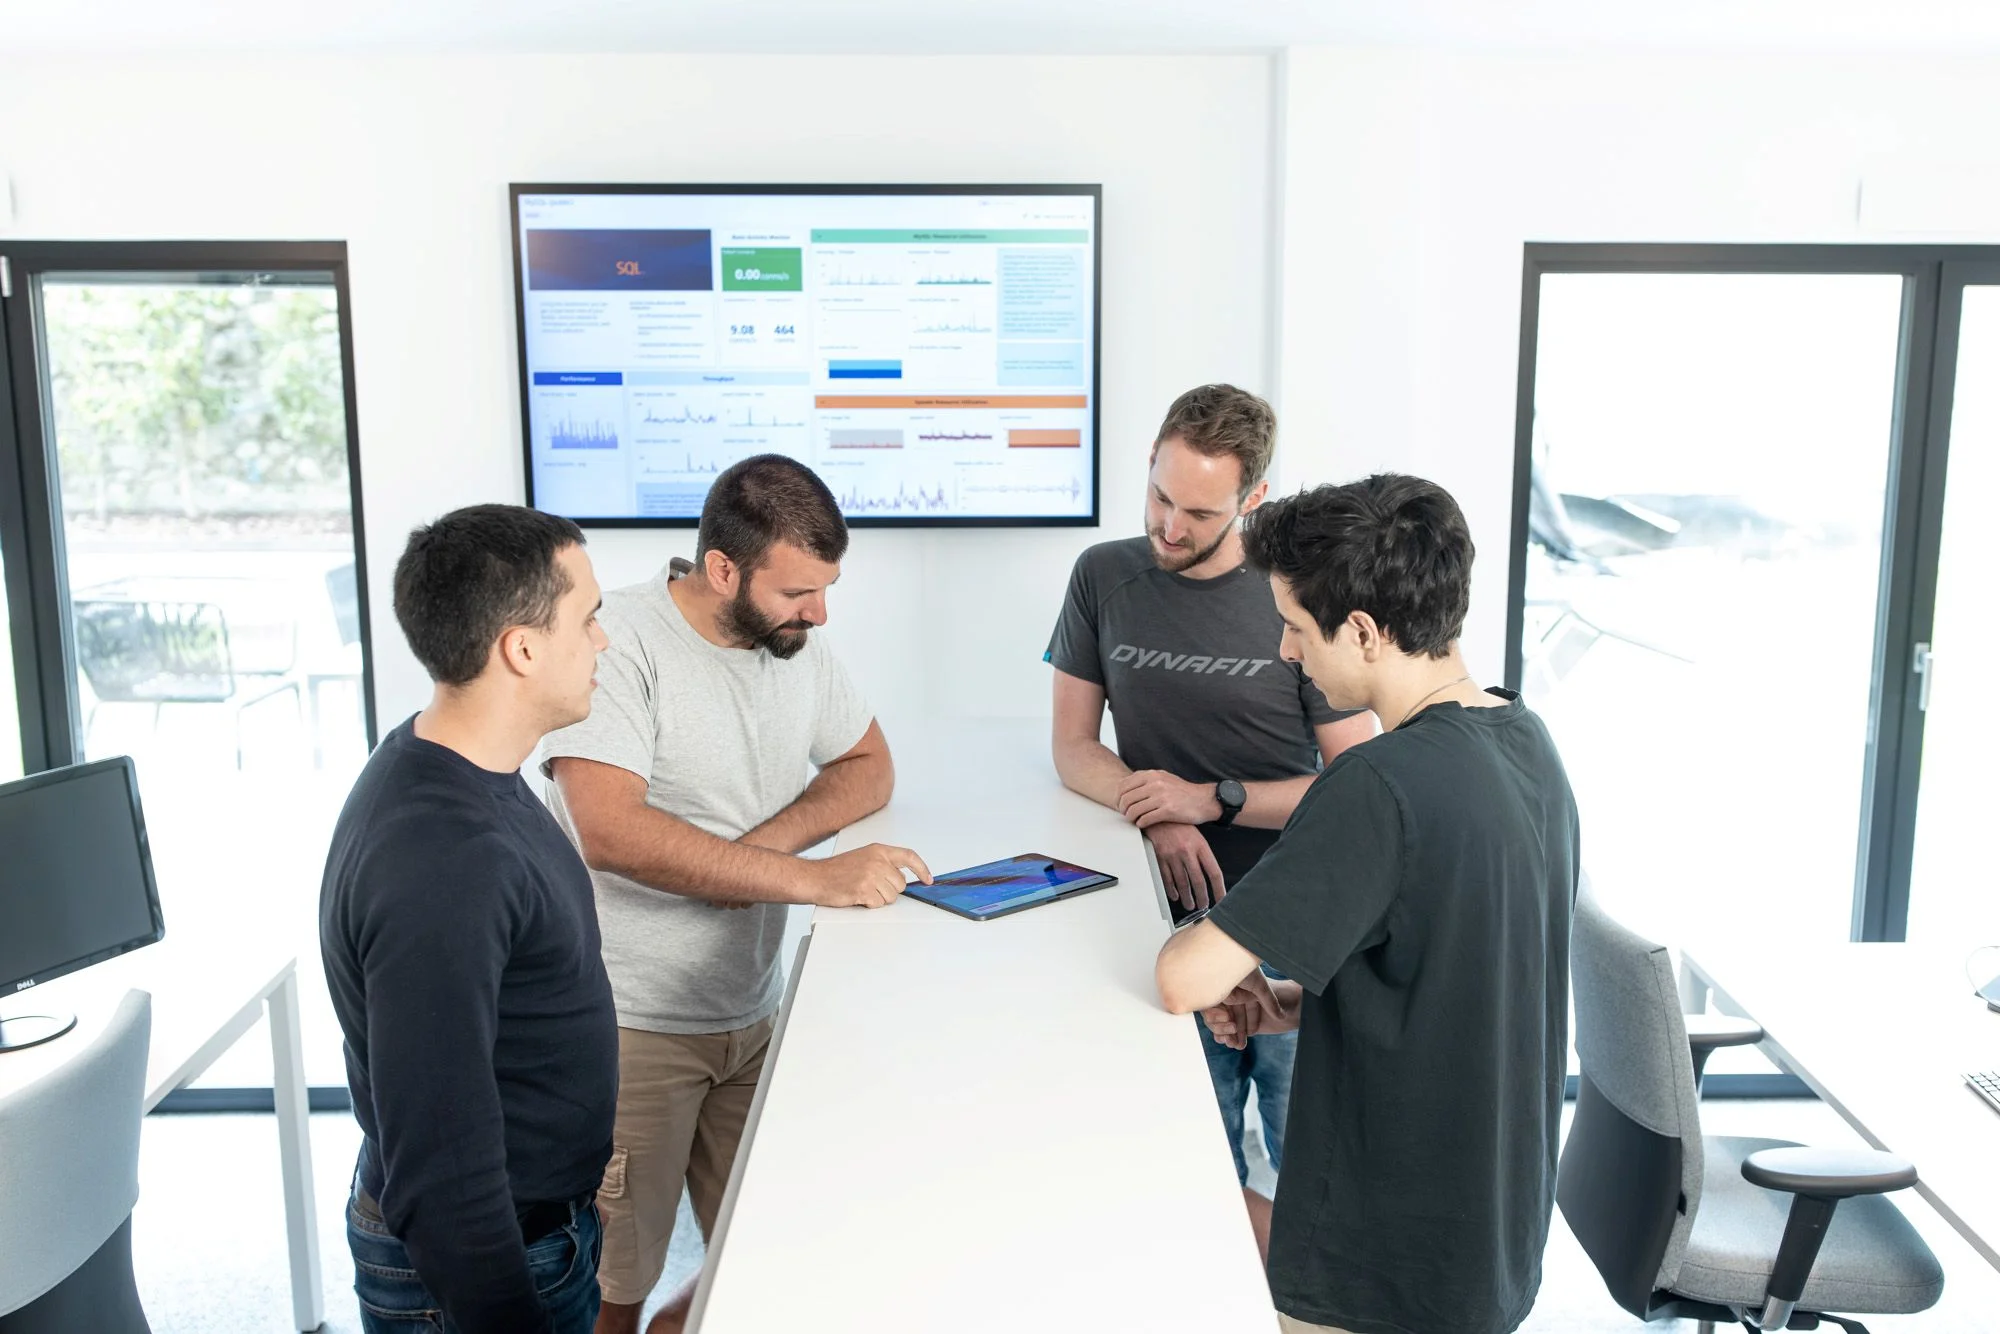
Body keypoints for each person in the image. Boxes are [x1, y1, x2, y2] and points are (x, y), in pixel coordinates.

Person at [1154, 474, 1579, 1334]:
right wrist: (1288, 1001)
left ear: (1361, 631)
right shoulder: (1524, 739)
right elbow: (1454, 976)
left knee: (1165, 1191)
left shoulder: (1378, 784)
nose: (1284, 652)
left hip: (1384, 1268)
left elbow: (1184, 980)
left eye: (1295, 626)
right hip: (1487, 1244)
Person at [542, 454, 931, 1334]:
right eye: (800, 592)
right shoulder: (620, 644)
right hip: (633, 1029)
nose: (820, 613)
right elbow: (609, 829)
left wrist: (754, 855)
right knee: (615, 1291)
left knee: (766, 1259)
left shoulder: (790, 641)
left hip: (751, 1016)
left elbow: (869, 766)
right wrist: (806, 880)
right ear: (723, 570)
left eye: (826, 590)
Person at [1043, 384, 1373, 1253]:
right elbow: (1075, 746)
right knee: (1195, 1167)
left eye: (1197, 511)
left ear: (1252, 500)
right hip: (1168, 921)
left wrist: (1213, 798)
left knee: (1318, 1172)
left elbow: (1359, 785)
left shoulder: (1298, 596)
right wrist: (1153, 810)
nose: (1168, 527)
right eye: (1158, 495)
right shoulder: (1102, 576)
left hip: (1298, 917)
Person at [321, 504, 618, 1334]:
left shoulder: (446, 764)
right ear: (521, 648)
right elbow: (441, 1163)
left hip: (540, 1230)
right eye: (588, 620)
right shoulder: (445, 858)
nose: (603, 642)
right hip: (477, 1270)